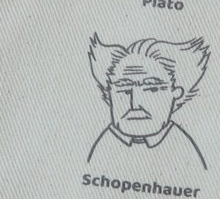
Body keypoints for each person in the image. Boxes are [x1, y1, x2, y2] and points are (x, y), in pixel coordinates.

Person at [87, 35, 209, 169]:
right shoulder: (101, 149)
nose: (135, 104)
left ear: (176, 93)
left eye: (152, 89)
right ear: (108, 94)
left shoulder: (185, 150)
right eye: (124, 89)